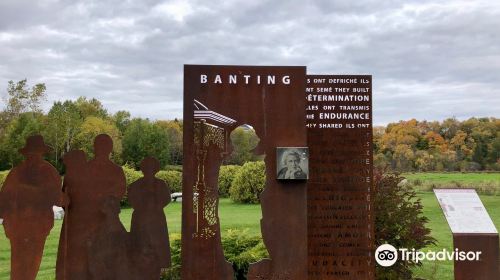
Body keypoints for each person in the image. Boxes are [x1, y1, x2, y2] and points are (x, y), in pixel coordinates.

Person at [0, 135, 64, 280]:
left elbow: (57, 199)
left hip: (38, 227)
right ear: (26, 154)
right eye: (30, 153)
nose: (33, 156)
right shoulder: (16, 173)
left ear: (42, 153)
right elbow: (4, 198)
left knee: (31, 265)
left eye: (36, 153)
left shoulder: (49, 172)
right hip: (17, 227)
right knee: (17, 266)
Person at [129, 157, 172, 278]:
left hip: (156, 221)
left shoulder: (161, 184)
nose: (148, 170)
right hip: (140, 221)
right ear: (142, 169)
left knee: (157, 252)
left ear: (155, 169)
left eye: (151, 167)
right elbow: (133, 201)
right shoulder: (135, 186)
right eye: (146, 167)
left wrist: (155, 206)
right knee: (139, 249)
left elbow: (167, 199)